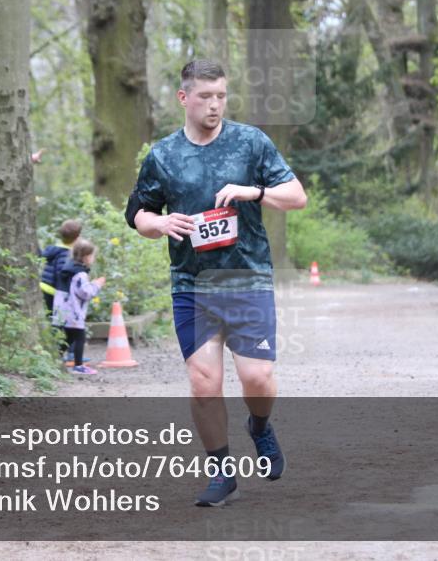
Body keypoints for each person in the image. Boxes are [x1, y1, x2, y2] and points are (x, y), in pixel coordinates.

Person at [125, 59, 307, 506]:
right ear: (184, 98)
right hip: (193, 284)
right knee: (204, 381)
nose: (215, 104)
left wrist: (255, 192)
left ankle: (260, 427)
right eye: (205, 96)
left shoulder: (250, 143)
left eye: (221, 96)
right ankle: (220, 471)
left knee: (258, 377)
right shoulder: (164, 156)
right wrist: (161, 224)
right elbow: (136, 213)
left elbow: (297, 196)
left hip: (247, 279)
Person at [51, 239, 105, 375]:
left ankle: (55, 360)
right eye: (92, 256)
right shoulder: (80, 274)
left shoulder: (68, 269)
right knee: (80, 337)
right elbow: (85, 293)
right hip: (73, 312)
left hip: (62, 310)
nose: (93, 259)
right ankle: (79, 365)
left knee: (68, 338)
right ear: (86, 257)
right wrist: (97, 284)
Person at [40, 220, 83, 359]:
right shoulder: (67, 254)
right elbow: (62, 273)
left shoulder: (53, 249)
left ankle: (61, 350)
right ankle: (64, 352)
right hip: (56, 292)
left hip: (45, 287)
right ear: (77, 237)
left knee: (54, 320)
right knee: (62, 322)